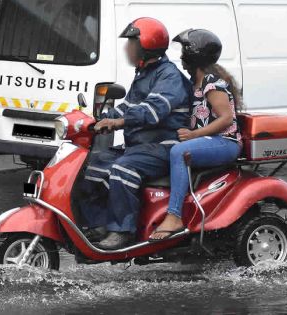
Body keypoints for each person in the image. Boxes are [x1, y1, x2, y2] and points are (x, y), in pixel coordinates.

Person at [79, 17, 192, 250]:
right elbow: (129, 105)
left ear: (146, 45)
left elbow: (152, 111)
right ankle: (99, 224)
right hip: (140, 146)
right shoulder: (144, 73)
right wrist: (98, 119)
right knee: (95, 166)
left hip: (163, 146)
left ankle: (122, 231)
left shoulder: (169, 76)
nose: (126, 48)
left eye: (131, 43)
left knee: (123, 169)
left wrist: (118, 122)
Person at [150, 29, 243, 241]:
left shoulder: (212, 81)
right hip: (209, 140)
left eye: (185, 51)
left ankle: (174, 216)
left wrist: (194, 135)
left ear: (196, 55)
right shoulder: (195, 82)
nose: (181, 56)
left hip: (225, 142)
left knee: (179, 152)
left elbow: (226, 118)